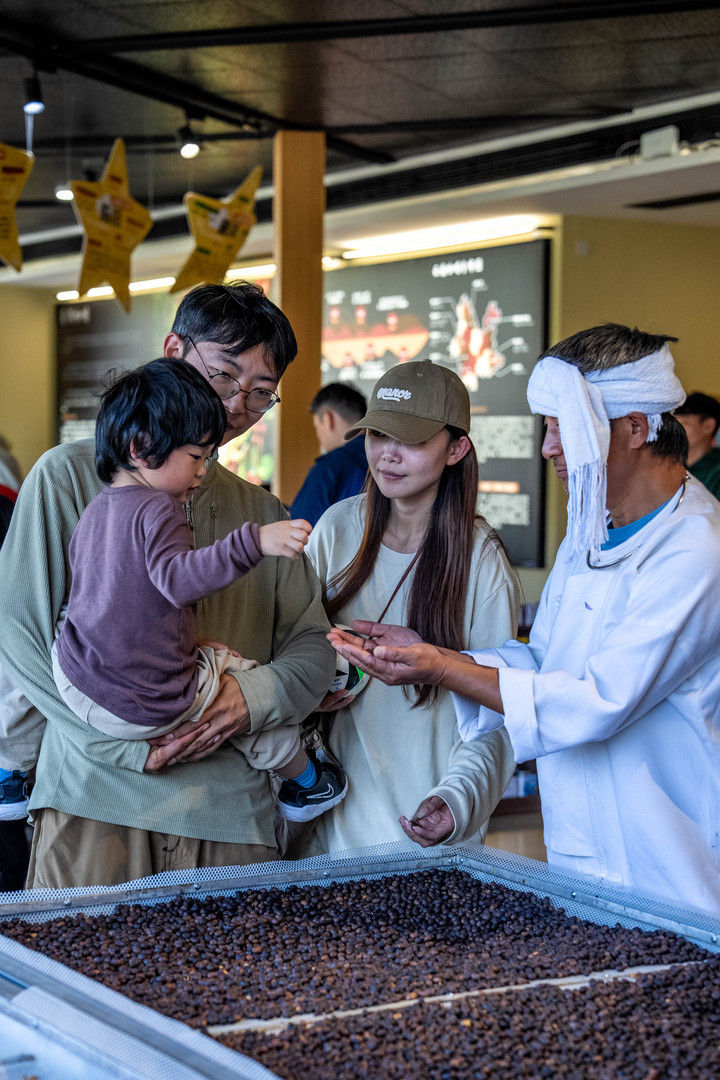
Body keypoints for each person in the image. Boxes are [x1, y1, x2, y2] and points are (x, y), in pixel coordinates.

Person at [331, 324, 720, 914]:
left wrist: (439, 668)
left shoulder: (694, 548)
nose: (548, 448)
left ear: (636, 428)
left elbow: (599, 700)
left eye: (564, 426)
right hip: (579, 857)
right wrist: (437, 654)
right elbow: (542, 662)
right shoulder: (591, 531)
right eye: (546, 427)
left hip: (669, 867)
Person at [0, 281, 337, 889]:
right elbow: (20, 638)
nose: (236, 404)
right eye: (224, 374)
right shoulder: (68, 478)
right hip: (93, 798)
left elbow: (313, 649)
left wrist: (253, 698)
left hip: (229, 815)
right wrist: (123, 749)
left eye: (261, 393)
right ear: (173, 350)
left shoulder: (264, 513)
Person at [47, 360, 346, 824]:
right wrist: (254, 542)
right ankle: (307, 779)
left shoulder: (96, 510)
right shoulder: (159, 509)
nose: (204, 472)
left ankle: (11, 769)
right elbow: (179, 580)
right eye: (196, 457)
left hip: (78, 682)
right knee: (241, 687)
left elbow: (105, 601)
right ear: (140, 448)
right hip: (145, 703)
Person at [306, 360, 518, 853]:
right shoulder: (336, 529)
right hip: (325, 835)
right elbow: (286, 650)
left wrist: (457, 799)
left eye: (412, 440)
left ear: (456, 448)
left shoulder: (482, 561)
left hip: (423, 839)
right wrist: (308, 690)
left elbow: (501, 713)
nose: (388, 454)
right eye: (378, 434)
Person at [289, 382, 368, 526]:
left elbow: (301, 528)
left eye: (317, 427)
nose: (318, 436)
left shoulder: (329, 468)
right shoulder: (387, 459)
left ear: (328, 419)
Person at [674, 390, 720, 500]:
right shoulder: (670, 466)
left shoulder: (716, 472)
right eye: (675, 423)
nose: (676, 429)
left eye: (685, 423)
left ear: (708, 426)